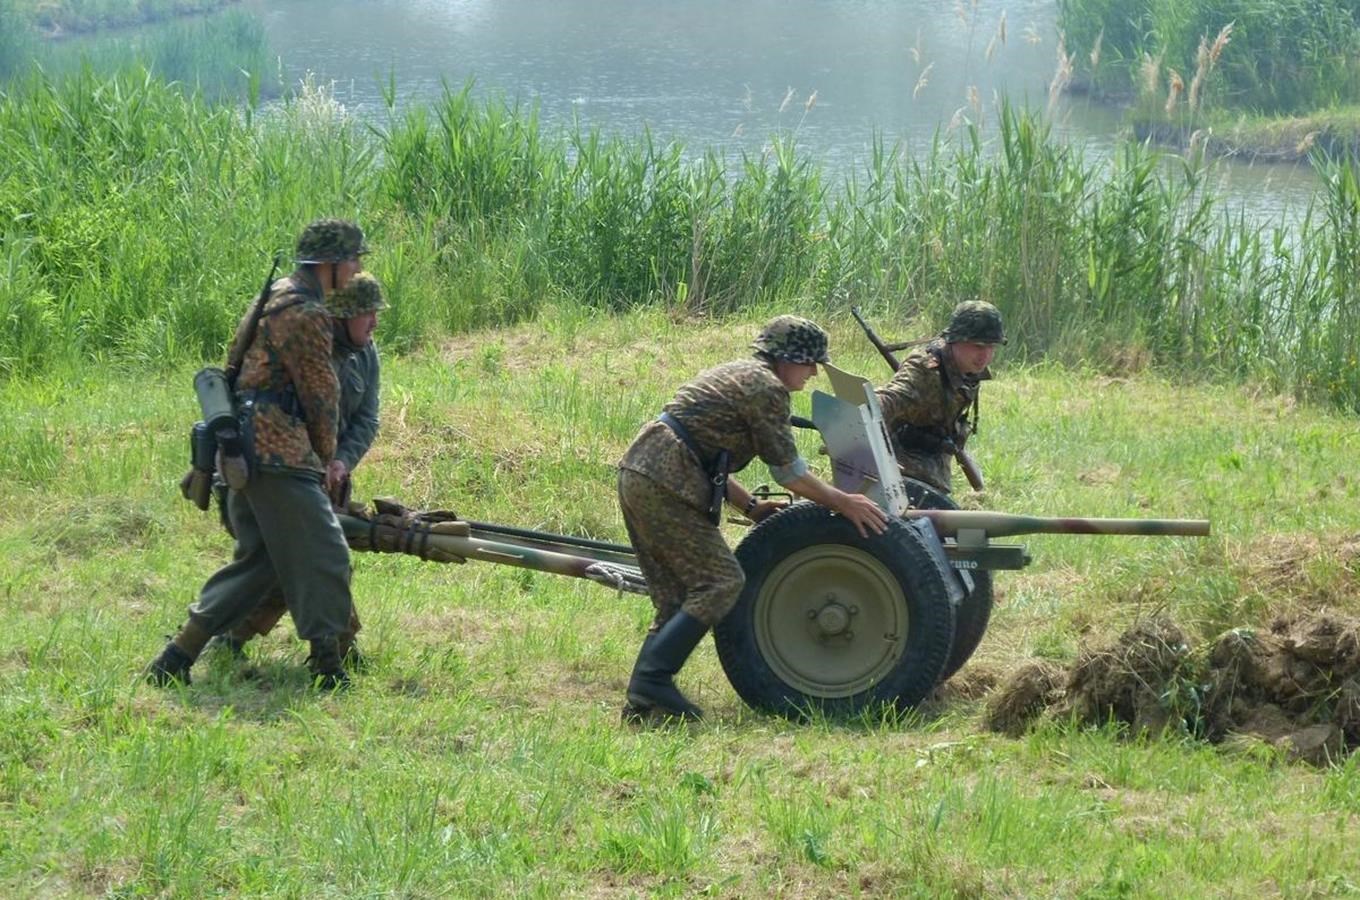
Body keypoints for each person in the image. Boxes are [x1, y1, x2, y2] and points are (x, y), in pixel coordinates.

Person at [617, 315, 889, 722]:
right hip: (665, 479)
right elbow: (789, 472)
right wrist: (843, 502)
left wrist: (751, 508)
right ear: (785, 359)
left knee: (677, 598)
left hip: (644, 472)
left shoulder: (741, 374)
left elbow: (708, 455)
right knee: (721, 581)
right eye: (809, 362)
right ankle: (652, 681)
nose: (813, 372)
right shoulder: (767, 388)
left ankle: (644, 703)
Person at [145, 218, 367, 690]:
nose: (357, 269)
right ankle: (328, 668)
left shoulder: (273, 298)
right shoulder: (307, 312)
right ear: (330, 265)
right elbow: (320, 395)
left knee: (261, 564)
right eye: (353, 259)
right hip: (279, 455)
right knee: (326, 553)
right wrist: (326, 461)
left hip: (245, 450)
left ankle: (175, 657)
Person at [209, 271, 387, 665]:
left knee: (307, 557)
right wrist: (317, 466)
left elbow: (367, 418)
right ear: (342, 315)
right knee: (299, 558)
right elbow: (285, 417)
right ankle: (329, 652)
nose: (375, 323)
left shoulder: (366, 355)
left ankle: (230, 639)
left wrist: (341, 461)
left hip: (323, 475)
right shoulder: (307, 345)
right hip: (278, 470)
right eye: (367, 315)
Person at [875, 300, 1005, 494]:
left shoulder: (968, 368)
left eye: (991, 347)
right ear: (955, 340)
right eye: (977, 346)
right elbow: (888, 398)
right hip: (904, 472)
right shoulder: (926, 369)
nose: (985, 356)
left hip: (935, 466)